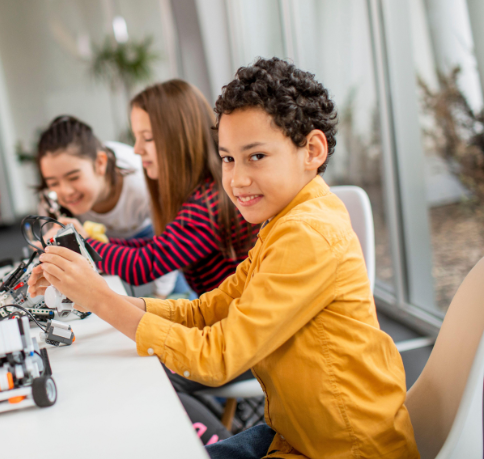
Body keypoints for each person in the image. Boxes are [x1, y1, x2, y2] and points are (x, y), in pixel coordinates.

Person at [28, 58, 418, 458]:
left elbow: (216, 357)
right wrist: (87, 295)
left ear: (312, 150)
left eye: (256, 157)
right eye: (228, 158)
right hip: (295, 434)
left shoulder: (307, 233)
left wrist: (100, 298)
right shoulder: (282, 223)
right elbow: (206, 310)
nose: (236, 179)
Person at [46, 80, 257, 299]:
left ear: (179, 138)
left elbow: (144, 264)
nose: (137, 150)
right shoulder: (201, 193)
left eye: (147, 138)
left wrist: (83, 245)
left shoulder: (207, 204)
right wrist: (88, 238)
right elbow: (156, 245)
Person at [35, 115, 180, 298]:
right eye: (53, 182)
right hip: (92, 238)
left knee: (177, 299)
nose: (65, 192)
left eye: (73, 178)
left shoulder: (142, 184)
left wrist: (161, 298)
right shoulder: (50, 200)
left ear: (100, 163)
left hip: (149, 234)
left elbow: (165, 256)